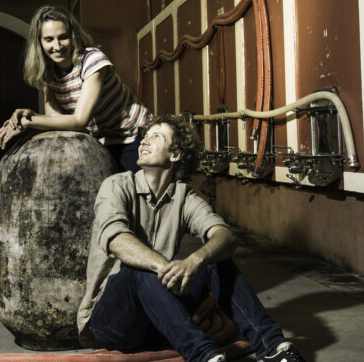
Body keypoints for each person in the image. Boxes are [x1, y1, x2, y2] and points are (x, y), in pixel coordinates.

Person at [77, 114, 307, 362]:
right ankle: (204, 356)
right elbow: (116, 240)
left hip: (158, 317)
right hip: (113, 322)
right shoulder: (116, 185)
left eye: (156, 137)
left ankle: (274, 348)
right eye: (145, 136)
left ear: (175, 155)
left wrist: (194, 261)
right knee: (140, 270)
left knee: (214, 262)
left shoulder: (183, 197)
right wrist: (165, 268)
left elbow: (225, 236)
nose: (144, 141)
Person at [0, 5, 150, 173]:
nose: (57, 46)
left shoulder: (92, 60)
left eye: (63, 37)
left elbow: (79, 121)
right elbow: (55, 120)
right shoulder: (48, 72)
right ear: (39, 42)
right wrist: (29, 117)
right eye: (49, 39)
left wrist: (29, 121)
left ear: (73, 36)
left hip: (133, 135)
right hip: (99, 141)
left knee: (130, 184)